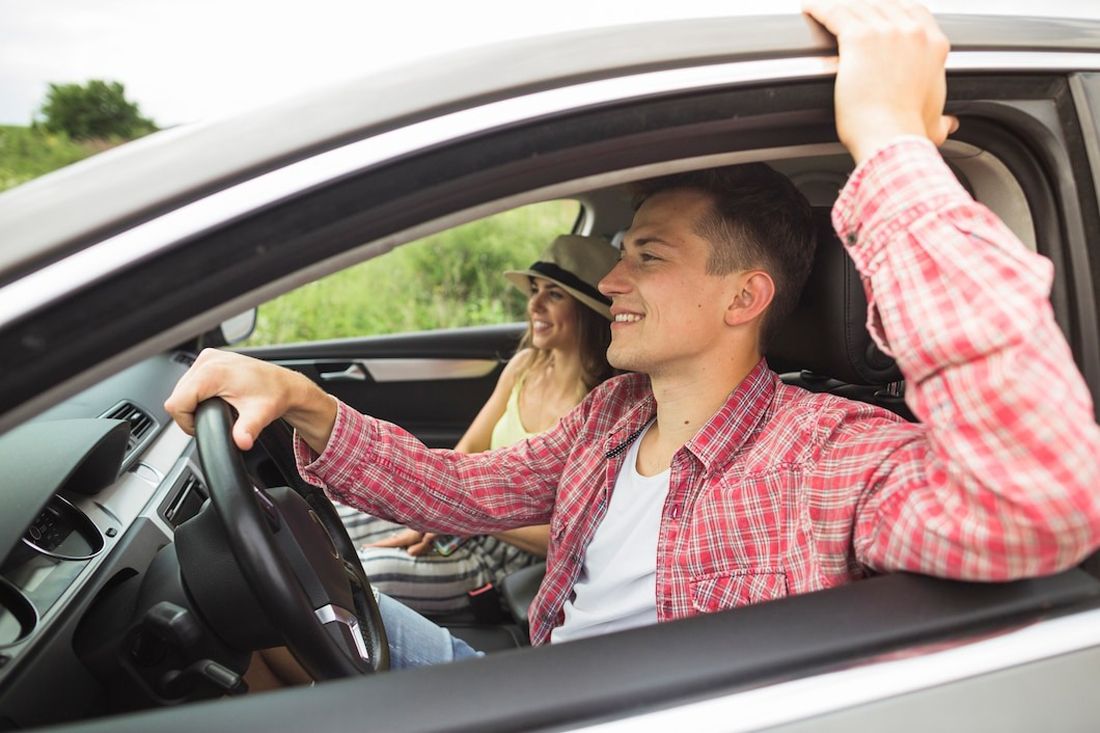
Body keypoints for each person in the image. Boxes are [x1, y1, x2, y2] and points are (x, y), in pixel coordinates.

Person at [166, 0, 1100, 669]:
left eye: (647, 255)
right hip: (537, 679)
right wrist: (305, 403)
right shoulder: (614, 414)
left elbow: (1043, 494)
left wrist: (890, 139)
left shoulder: (832, 458)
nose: (609, 280)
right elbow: (457, 489)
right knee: (244, 636)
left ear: (745, 298)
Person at [337, 234, 618, 617]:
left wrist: (457, 514)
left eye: (554, 295)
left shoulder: (603, 404)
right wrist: (433, 513)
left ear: (588, 310)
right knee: (330, 520)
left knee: (359, 583)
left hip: (509, 555)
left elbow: (568, 537)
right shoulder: (524, 366)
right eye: (535, 289)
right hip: (464, 513)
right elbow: (466, 452)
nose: (533, 303)